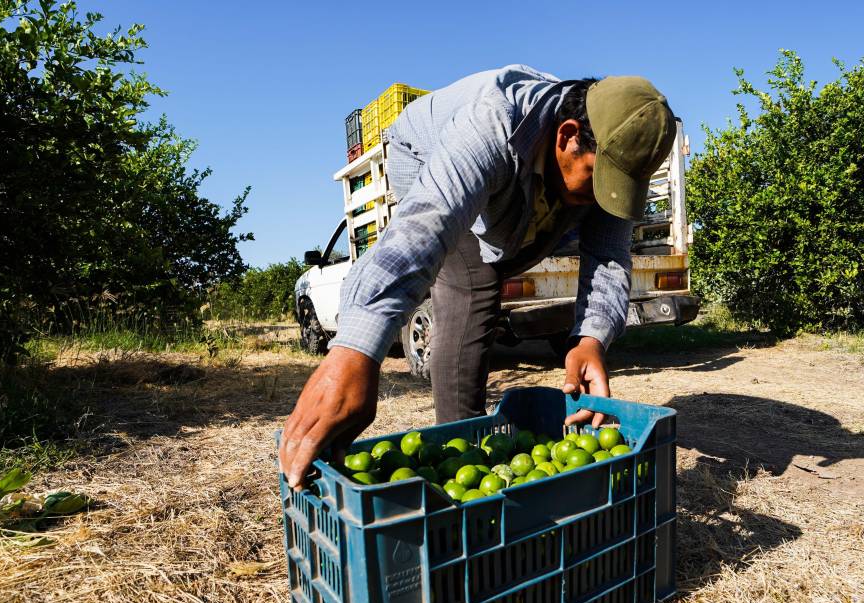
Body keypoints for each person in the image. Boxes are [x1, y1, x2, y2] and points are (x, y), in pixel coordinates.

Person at [280, 65, 676, 490]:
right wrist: (355, 351)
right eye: (598, 180)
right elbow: (424, 228)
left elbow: (608, 253)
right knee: (474, 282)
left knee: (553, 225)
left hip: (521, 182)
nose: (602, 197)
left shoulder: (603, 152)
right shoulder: (492, 124)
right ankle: (457, 441)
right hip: (420, 156)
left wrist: (590, 339)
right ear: (566, 136)